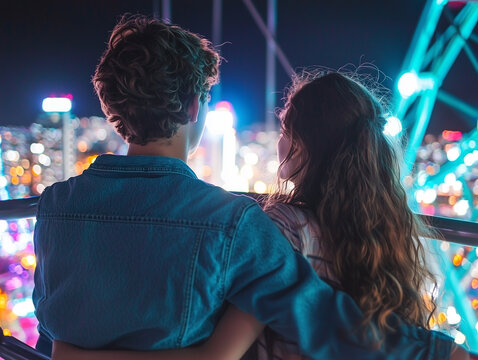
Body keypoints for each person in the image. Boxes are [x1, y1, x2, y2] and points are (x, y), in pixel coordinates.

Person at [33, 14, 465, 360]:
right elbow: (321, 319)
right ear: (192, 106)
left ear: (112, 110)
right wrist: (438, 351)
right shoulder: (231, 222)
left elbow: (50, 326)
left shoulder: (54, 205)